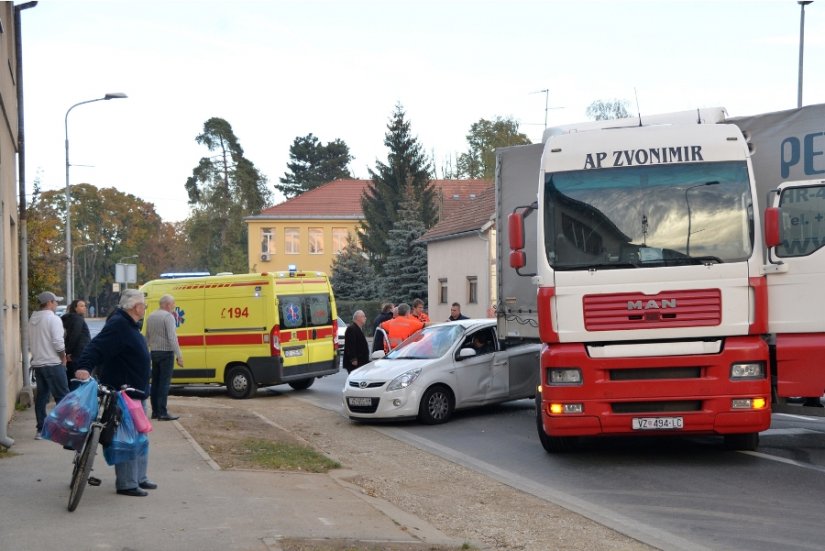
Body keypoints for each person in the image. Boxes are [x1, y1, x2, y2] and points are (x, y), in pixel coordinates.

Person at [74, 289, 156, 497]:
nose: (145, 309)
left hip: (135, 392)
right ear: (136, 307)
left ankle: (139, 477)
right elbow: (97, 347)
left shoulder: (129, 324)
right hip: (123, 392)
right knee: (127, 438)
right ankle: (127, 483)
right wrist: (84, 366)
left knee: (140, 436)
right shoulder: (119, 324)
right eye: (144, 305)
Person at [29, 291, 70, 440]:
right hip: (53, 363)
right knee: (63, 397)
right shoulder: (53, 319)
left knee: (42, 397)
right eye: (55, 302)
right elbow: (58, 343)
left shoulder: (32, 319)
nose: (57, 304)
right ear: (50, 302)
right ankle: (64, 428)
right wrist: (63, 358)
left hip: (38, 364)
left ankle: (41, 429)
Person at [144, 294, 183, 421]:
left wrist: (146, 350)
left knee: (155, 382)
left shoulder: (151, 316)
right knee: (164, 383)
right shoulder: (168, 317)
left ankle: (155, 411)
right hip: (166, 353)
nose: (174, 306)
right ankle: (162, 412)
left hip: (154, 352)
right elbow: (172, 337)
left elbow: (147, 336)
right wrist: (179, 355)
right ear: (167, 305)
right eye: (173, 304)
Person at [62, 299, 91, 390]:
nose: (84, 308)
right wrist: (69, 352)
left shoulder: (72, 318)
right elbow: (75, 336)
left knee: (72, 378)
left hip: (74, 353)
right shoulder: (77, 319)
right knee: (78, 380)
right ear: (75, 308)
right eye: (81, 306)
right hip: (78, 354)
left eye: (85, 306)